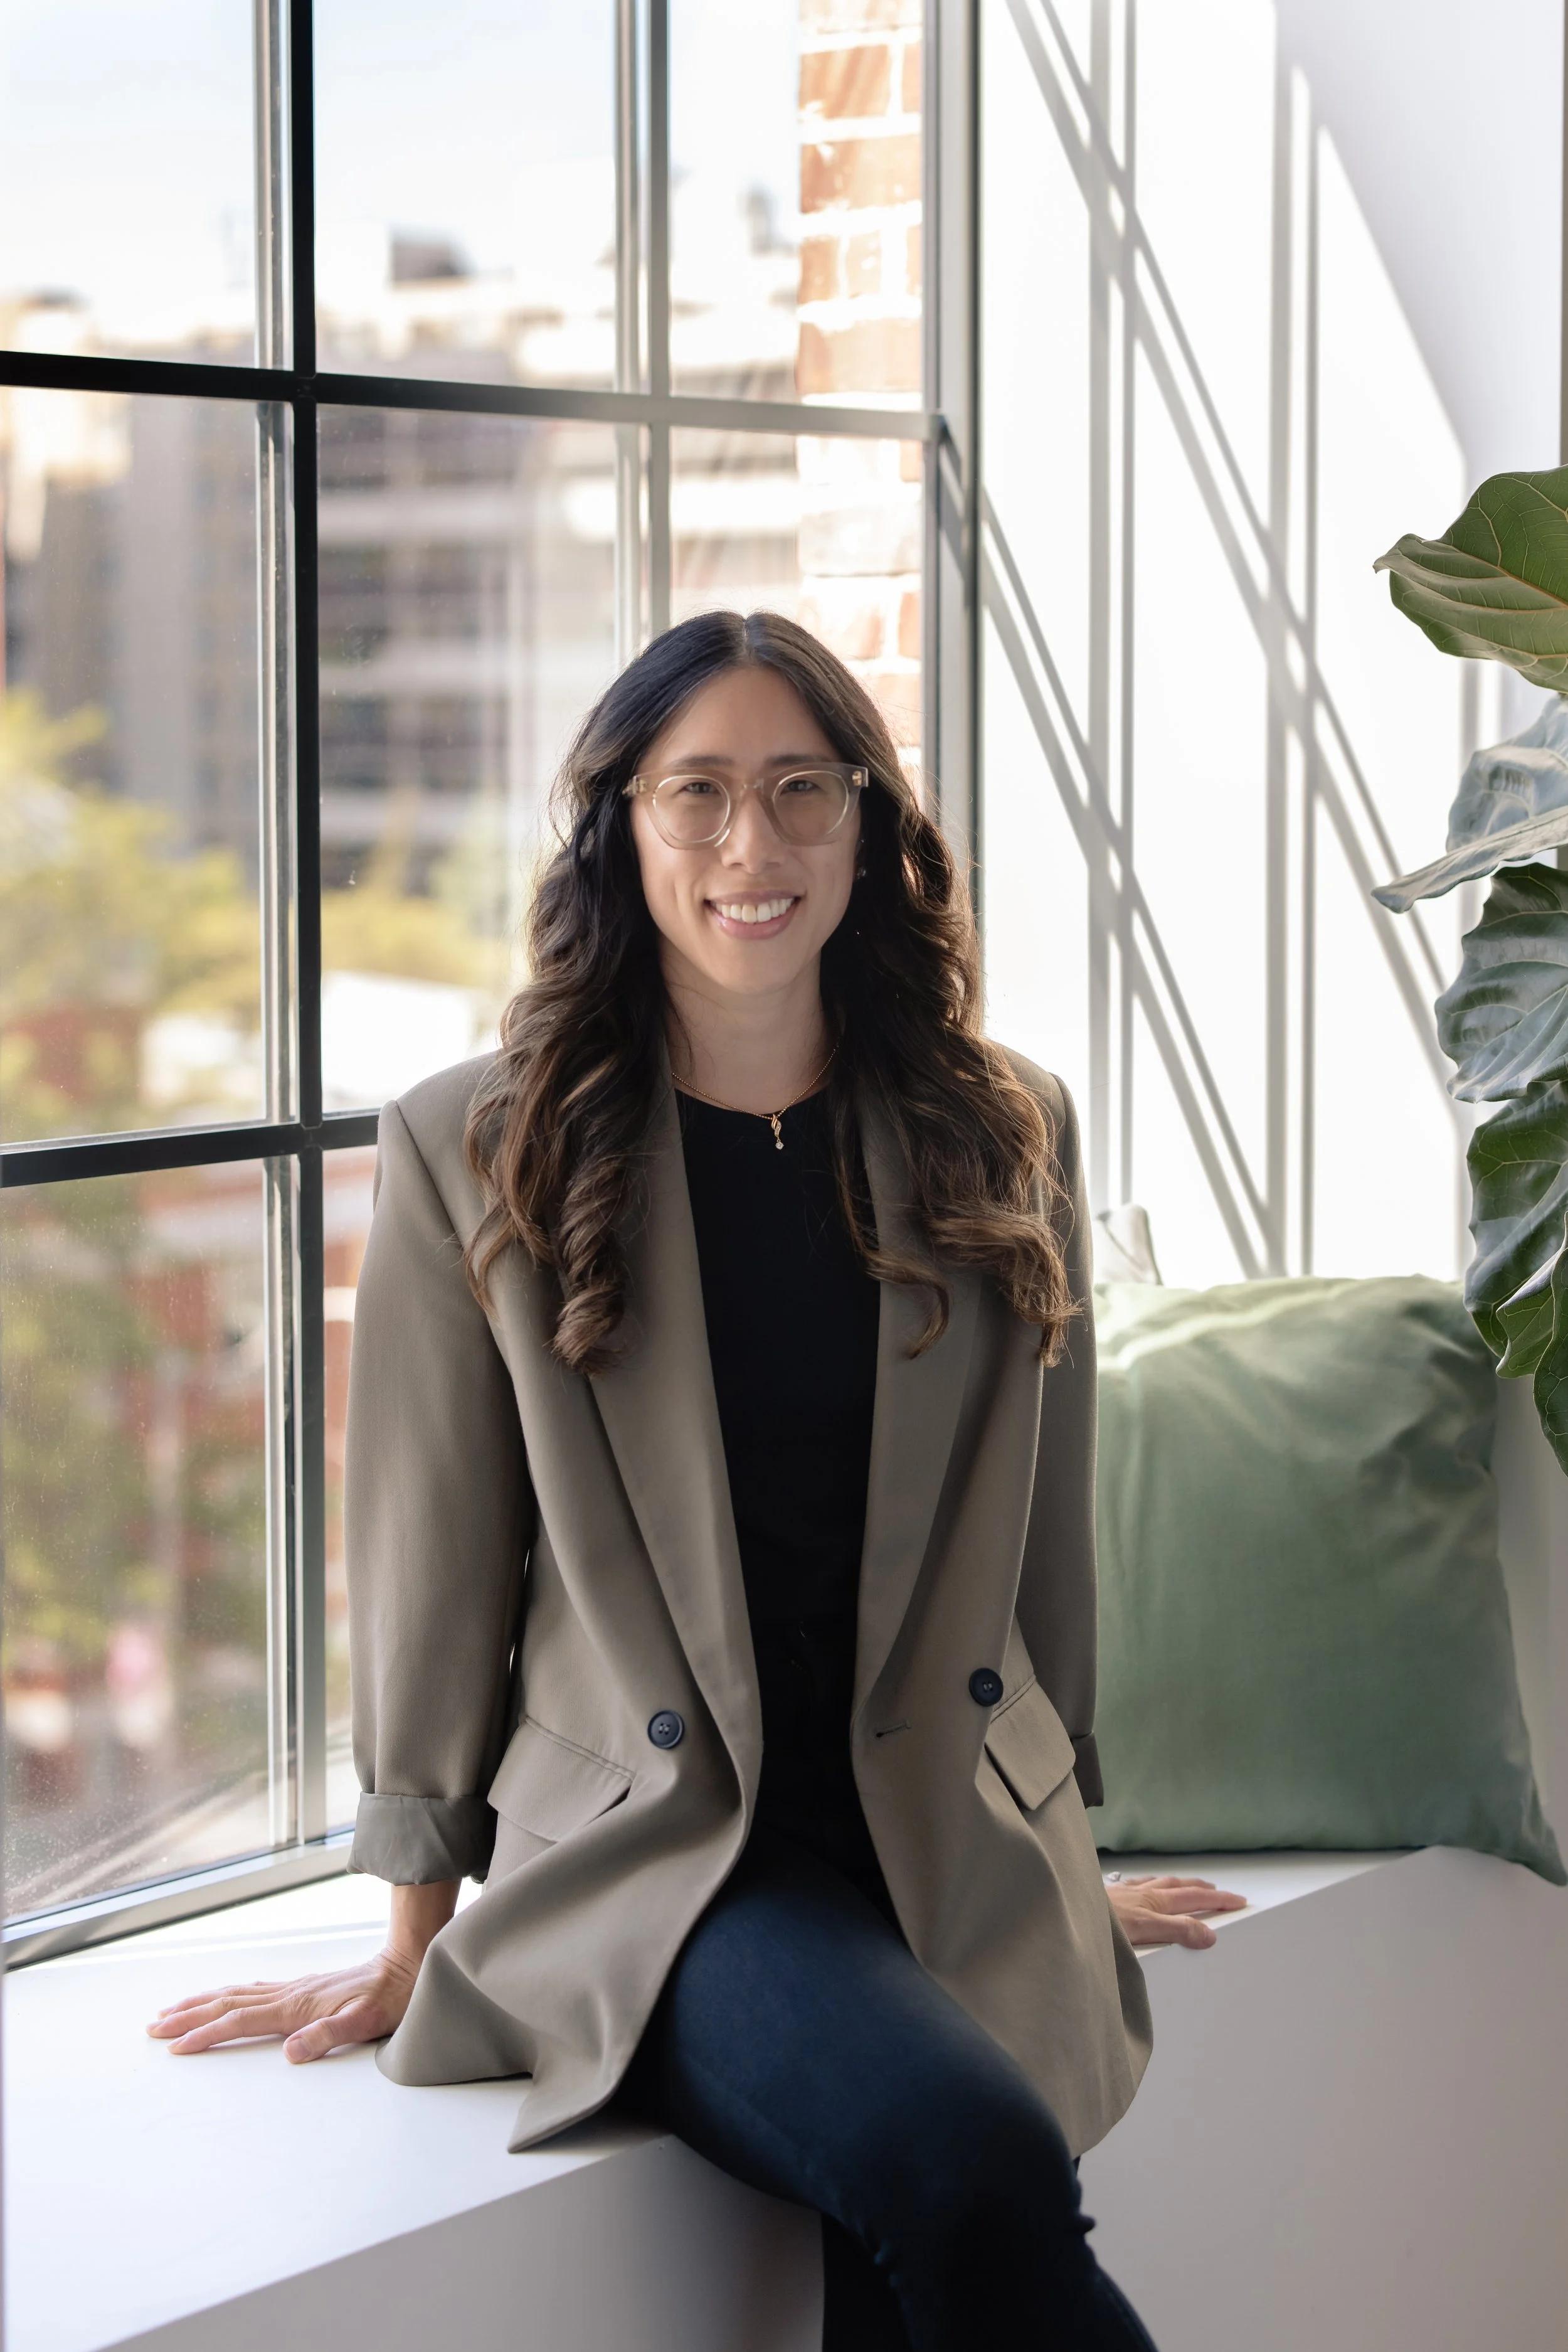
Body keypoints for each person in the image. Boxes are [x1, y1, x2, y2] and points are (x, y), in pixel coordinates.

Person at [149, 612, 1244, 2350]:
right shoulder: (478, 1138)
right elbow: (432, 1554)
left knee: (929, 2248)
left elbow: (1043, 1533)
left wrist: (1049, 1850)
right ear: (622, 828)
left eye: (803, 791)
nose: (757, 847)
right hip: (676, 1860)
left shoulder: (1001, 1120)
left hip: (931, 1816)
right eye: (701, 795)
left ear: (867, 830)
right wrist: (415, 1918)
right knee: (968, 2165)